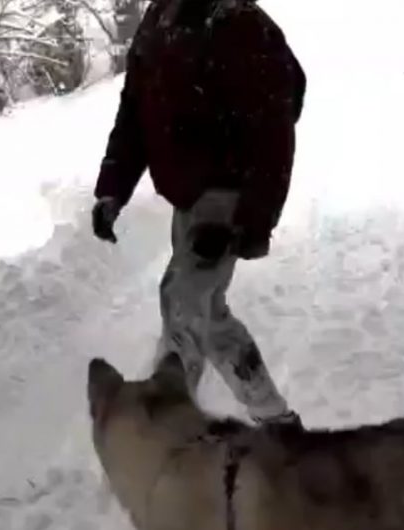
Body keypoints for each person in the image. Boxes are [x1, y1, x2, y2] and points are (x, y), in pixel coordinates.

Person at [91, 0, 305, 426]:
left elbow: (273, 132)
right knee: (202, 311)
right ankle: (269, 418)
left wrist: (247, 223)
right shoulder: (161, 16)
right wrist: (112, 189)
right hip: (188, 195)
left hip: (226, 197)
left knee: (184, 303)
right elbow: (134, 108)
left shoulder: (239, 23)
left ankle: (169, 423)